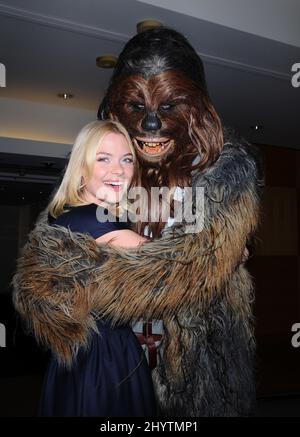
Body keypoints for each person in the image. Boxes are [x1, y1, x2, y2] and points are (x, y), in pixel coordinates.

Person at [13, 28, 264, 417]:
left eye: (167, 107)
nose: (150, 126)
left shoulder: (224, 170)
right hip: (115, 360)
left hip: (197, 366)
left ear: (195, 107)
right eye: (137, 108)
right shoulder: (107, 176)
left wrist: (220, 253)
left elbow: (186, 273)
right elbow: (40, 281)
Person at [35, 120, 156, 416]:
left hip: (84, 357)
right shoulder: (91, 219)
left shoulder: (69, 216)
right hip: (103, 363)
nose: (119, 170)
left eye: (126, 160)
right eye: (103, 158)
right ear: (81, 169)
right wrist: (224, 244)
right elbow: (175, 264)